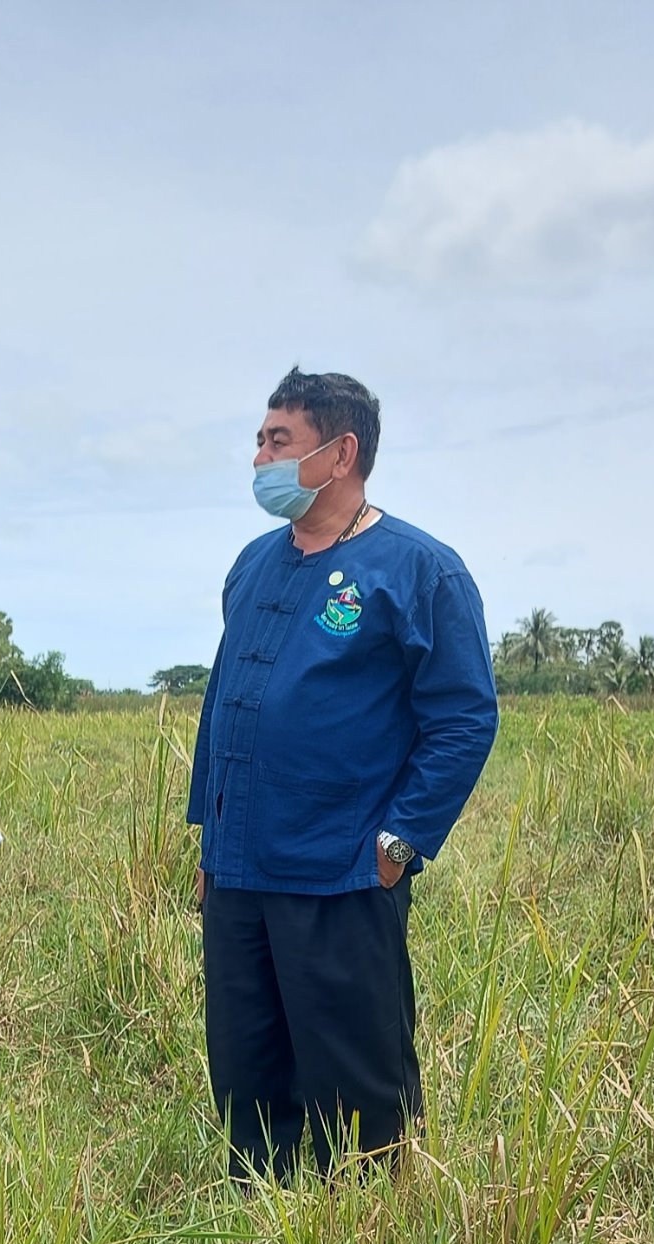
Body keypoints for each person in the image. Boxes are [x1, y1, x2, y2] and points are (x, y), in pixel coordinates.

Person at [186, 367, 498, 1184]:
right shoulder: (252, 564)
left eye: (278, 440)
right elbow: (226, 701)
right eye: (259, 439)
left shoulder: (419, 570)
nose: (259, 456)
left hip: (344, 868)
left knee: (355, 1073)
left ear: (341, 452)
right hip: (241, 870)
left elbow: (465, 717)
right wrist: (212, 843)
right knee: (247, 1061)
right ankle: (261, 1216)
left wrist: (401, 841)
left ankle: (366, 1236)